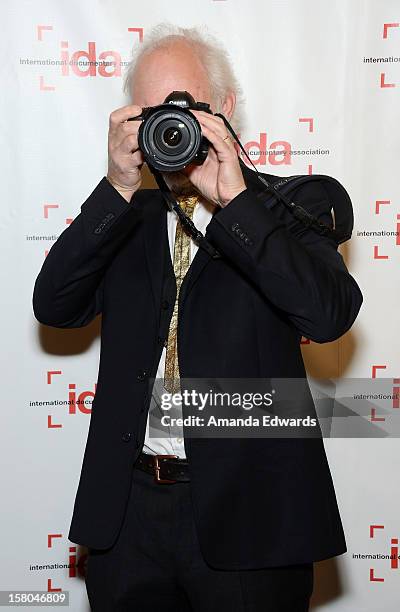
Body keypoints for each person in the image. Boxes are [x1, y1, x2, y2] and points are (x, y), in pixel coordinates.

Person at [32, 23, 363, 612]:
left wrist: (235, 202)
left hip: (254, 517)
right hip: (128, 519)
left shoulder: (295, 206)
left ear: (226, 108)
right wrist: (115, 188)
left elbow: (330, 313)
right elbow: (54, 306)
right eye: (150, 113)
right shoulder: (125, 215)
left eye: (184, 108)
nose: (170, 126)